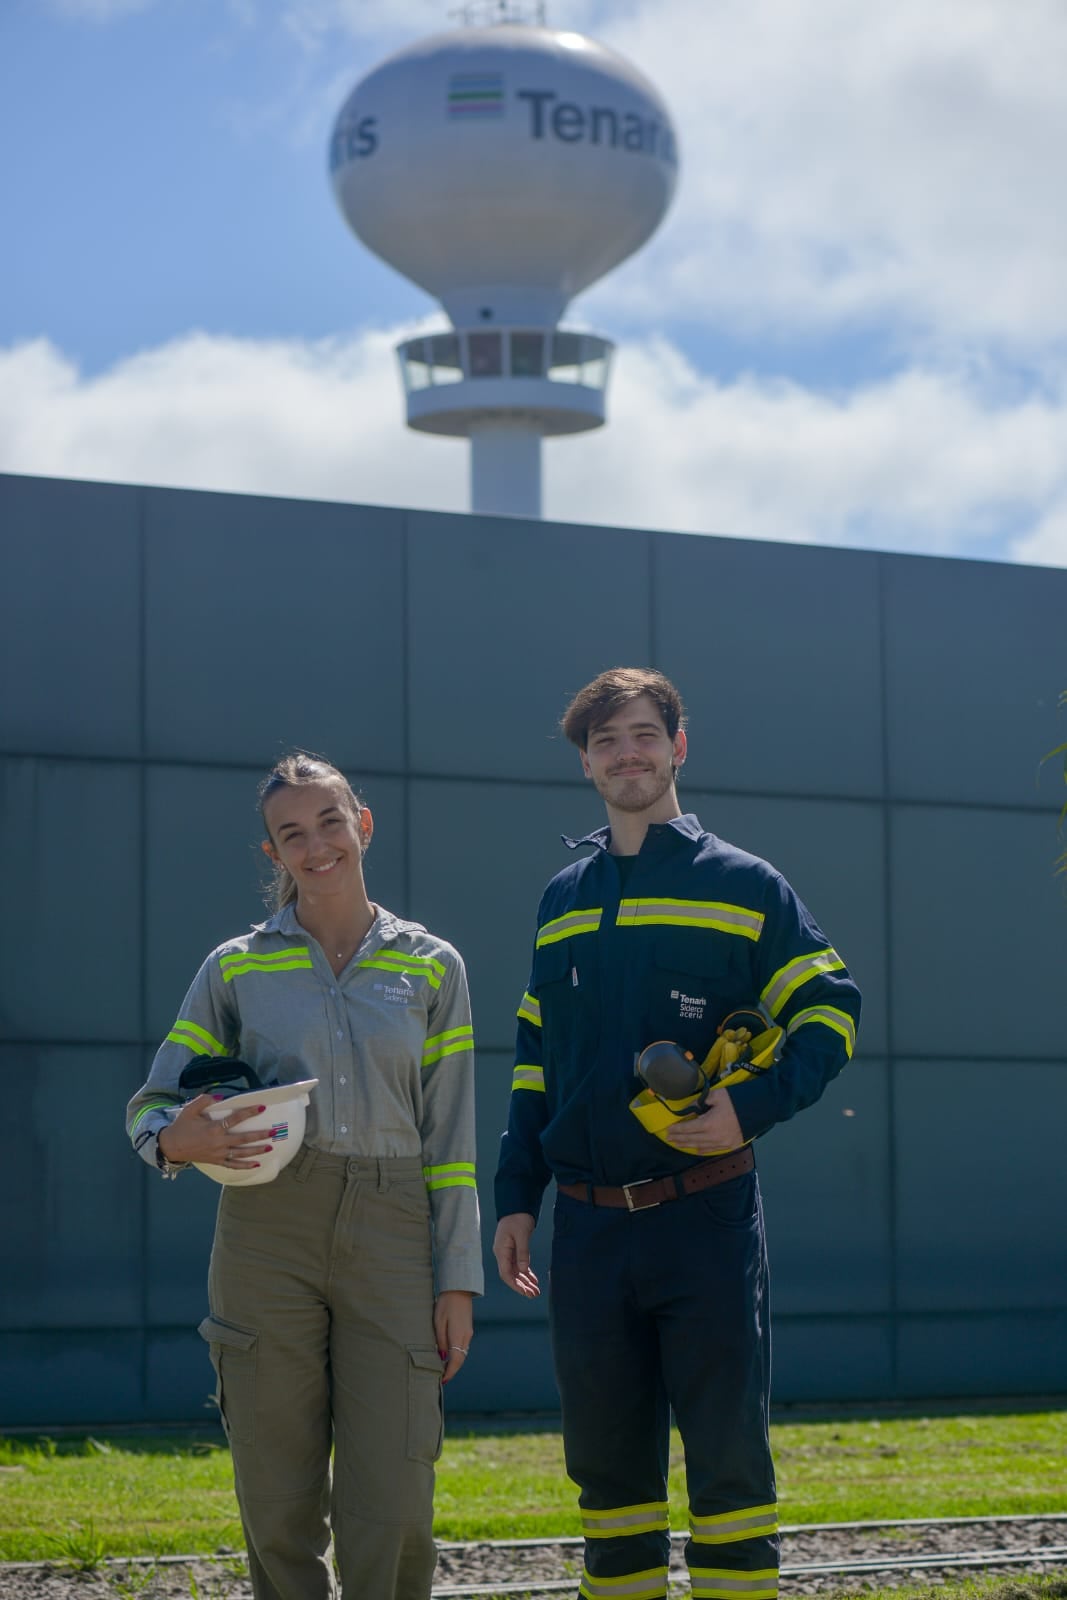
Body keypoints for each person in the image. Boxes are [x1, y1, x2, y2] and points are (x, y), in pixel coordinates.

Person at [493, 668, 861, 1600]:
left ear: (677, 747)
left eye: (644, 734)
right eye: (606, 739)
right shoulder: (560, 899)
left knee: (727, 1463)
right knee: (608, 1476)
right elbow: (536, 1060)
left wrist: (753, 1105)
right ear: (585, 762)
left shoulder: (744, 885)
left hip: (704, 1219)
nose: (627, 753)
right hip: (584, 1226)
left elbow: (829, 1010)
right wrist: (513, 1199)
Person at [126, 752, 482, 1600]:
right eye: (293, 834)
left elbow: (453, 1134)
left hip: (394, 1230)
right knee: (277, 1497)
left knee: (394, 1495)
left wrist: (456, 1278)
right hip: (266, 1232)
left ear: (361, 824)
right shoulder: (234, 968)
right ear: (273, 855)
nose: (316, 844)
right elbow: (150, 1104)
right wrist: (175, 1142)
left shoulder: (434, 967)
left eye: (329, 822)